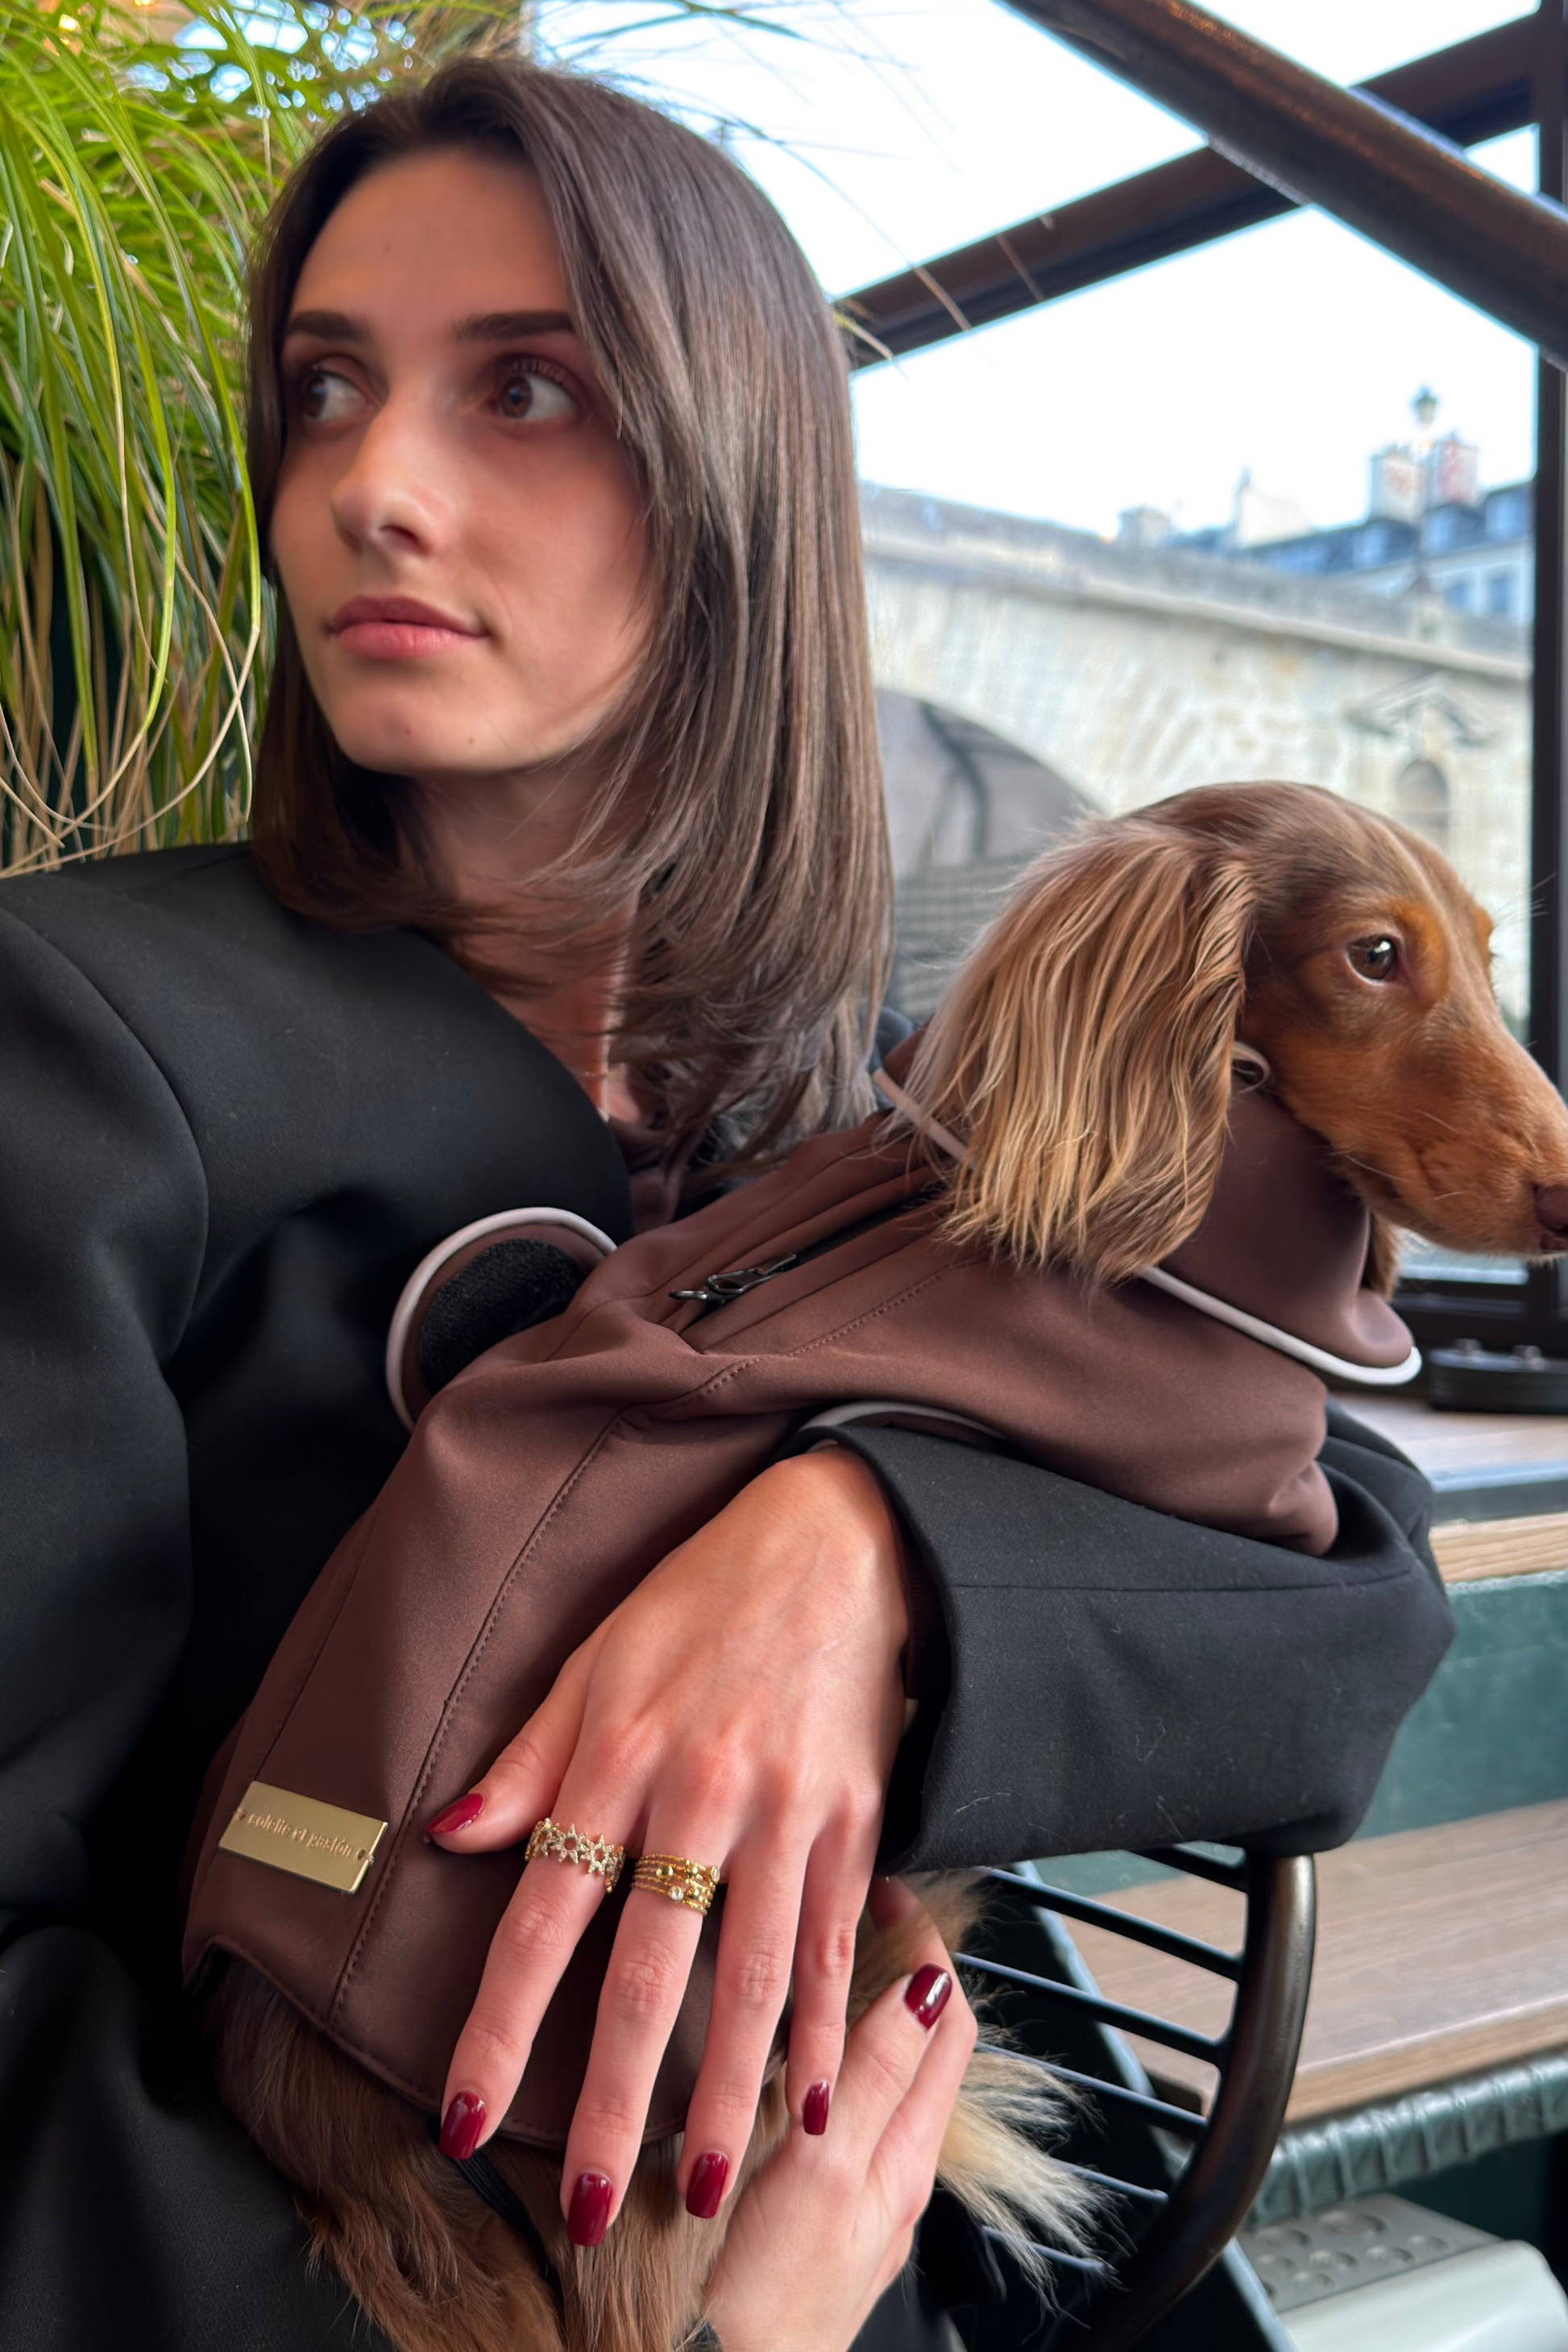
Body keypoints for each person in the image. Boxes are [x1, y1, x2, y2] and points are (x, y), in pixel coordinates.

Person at [0, 59, 1451, 2352]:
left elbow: (1350, 1597)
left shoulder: (849, 1115)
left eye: (532, 390)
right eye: (325, 389)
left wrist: (865, 1563)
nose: (372, 485)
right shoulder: (76, 1043)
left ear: (737, 477)